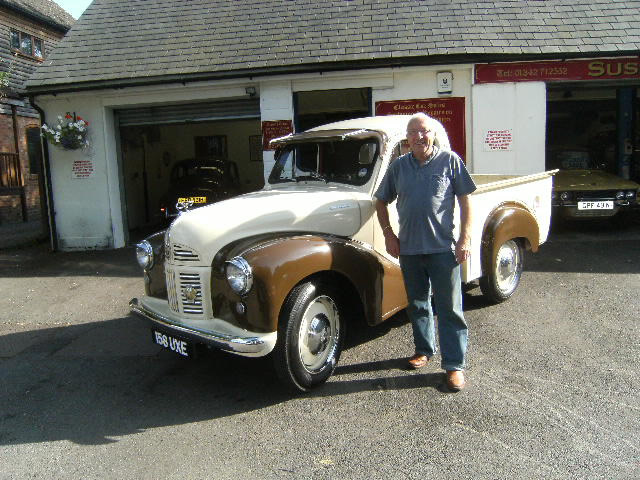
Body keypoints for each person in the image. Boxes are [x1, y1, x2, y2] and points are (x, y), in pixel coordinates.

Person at [374, 113, 476, 391]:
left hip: (443, 250)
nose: (419, 137)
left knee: (450, 309)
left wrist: (464, 239)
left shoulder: (450, 161)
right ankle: (423, 349)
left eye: (424, 131)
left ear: (433, 134)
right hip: (409, 250)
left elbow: (467, 204)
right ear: (407, 138)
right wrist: (388, 235)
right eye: (413, 133)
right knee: (418, 304)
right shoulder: (398, 167)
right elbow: (380, 201)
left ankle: (454, 366)